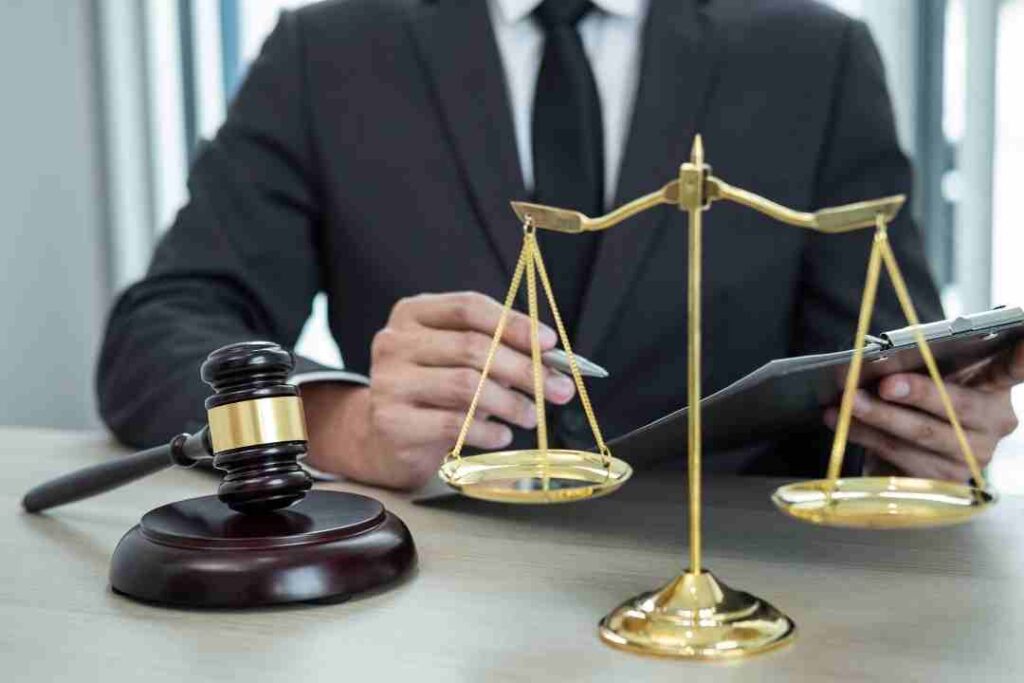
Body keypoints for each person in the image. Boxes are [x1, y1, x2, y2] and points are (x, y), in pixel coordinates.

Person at [98, 0, 1022, 490]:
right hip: (430, 600)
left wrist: (923, 435)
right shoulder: (326, 50)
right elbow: (157, 335)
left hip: (744, 600)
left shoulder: (817, 57)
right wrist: (342, 425)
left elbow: (876, 368)